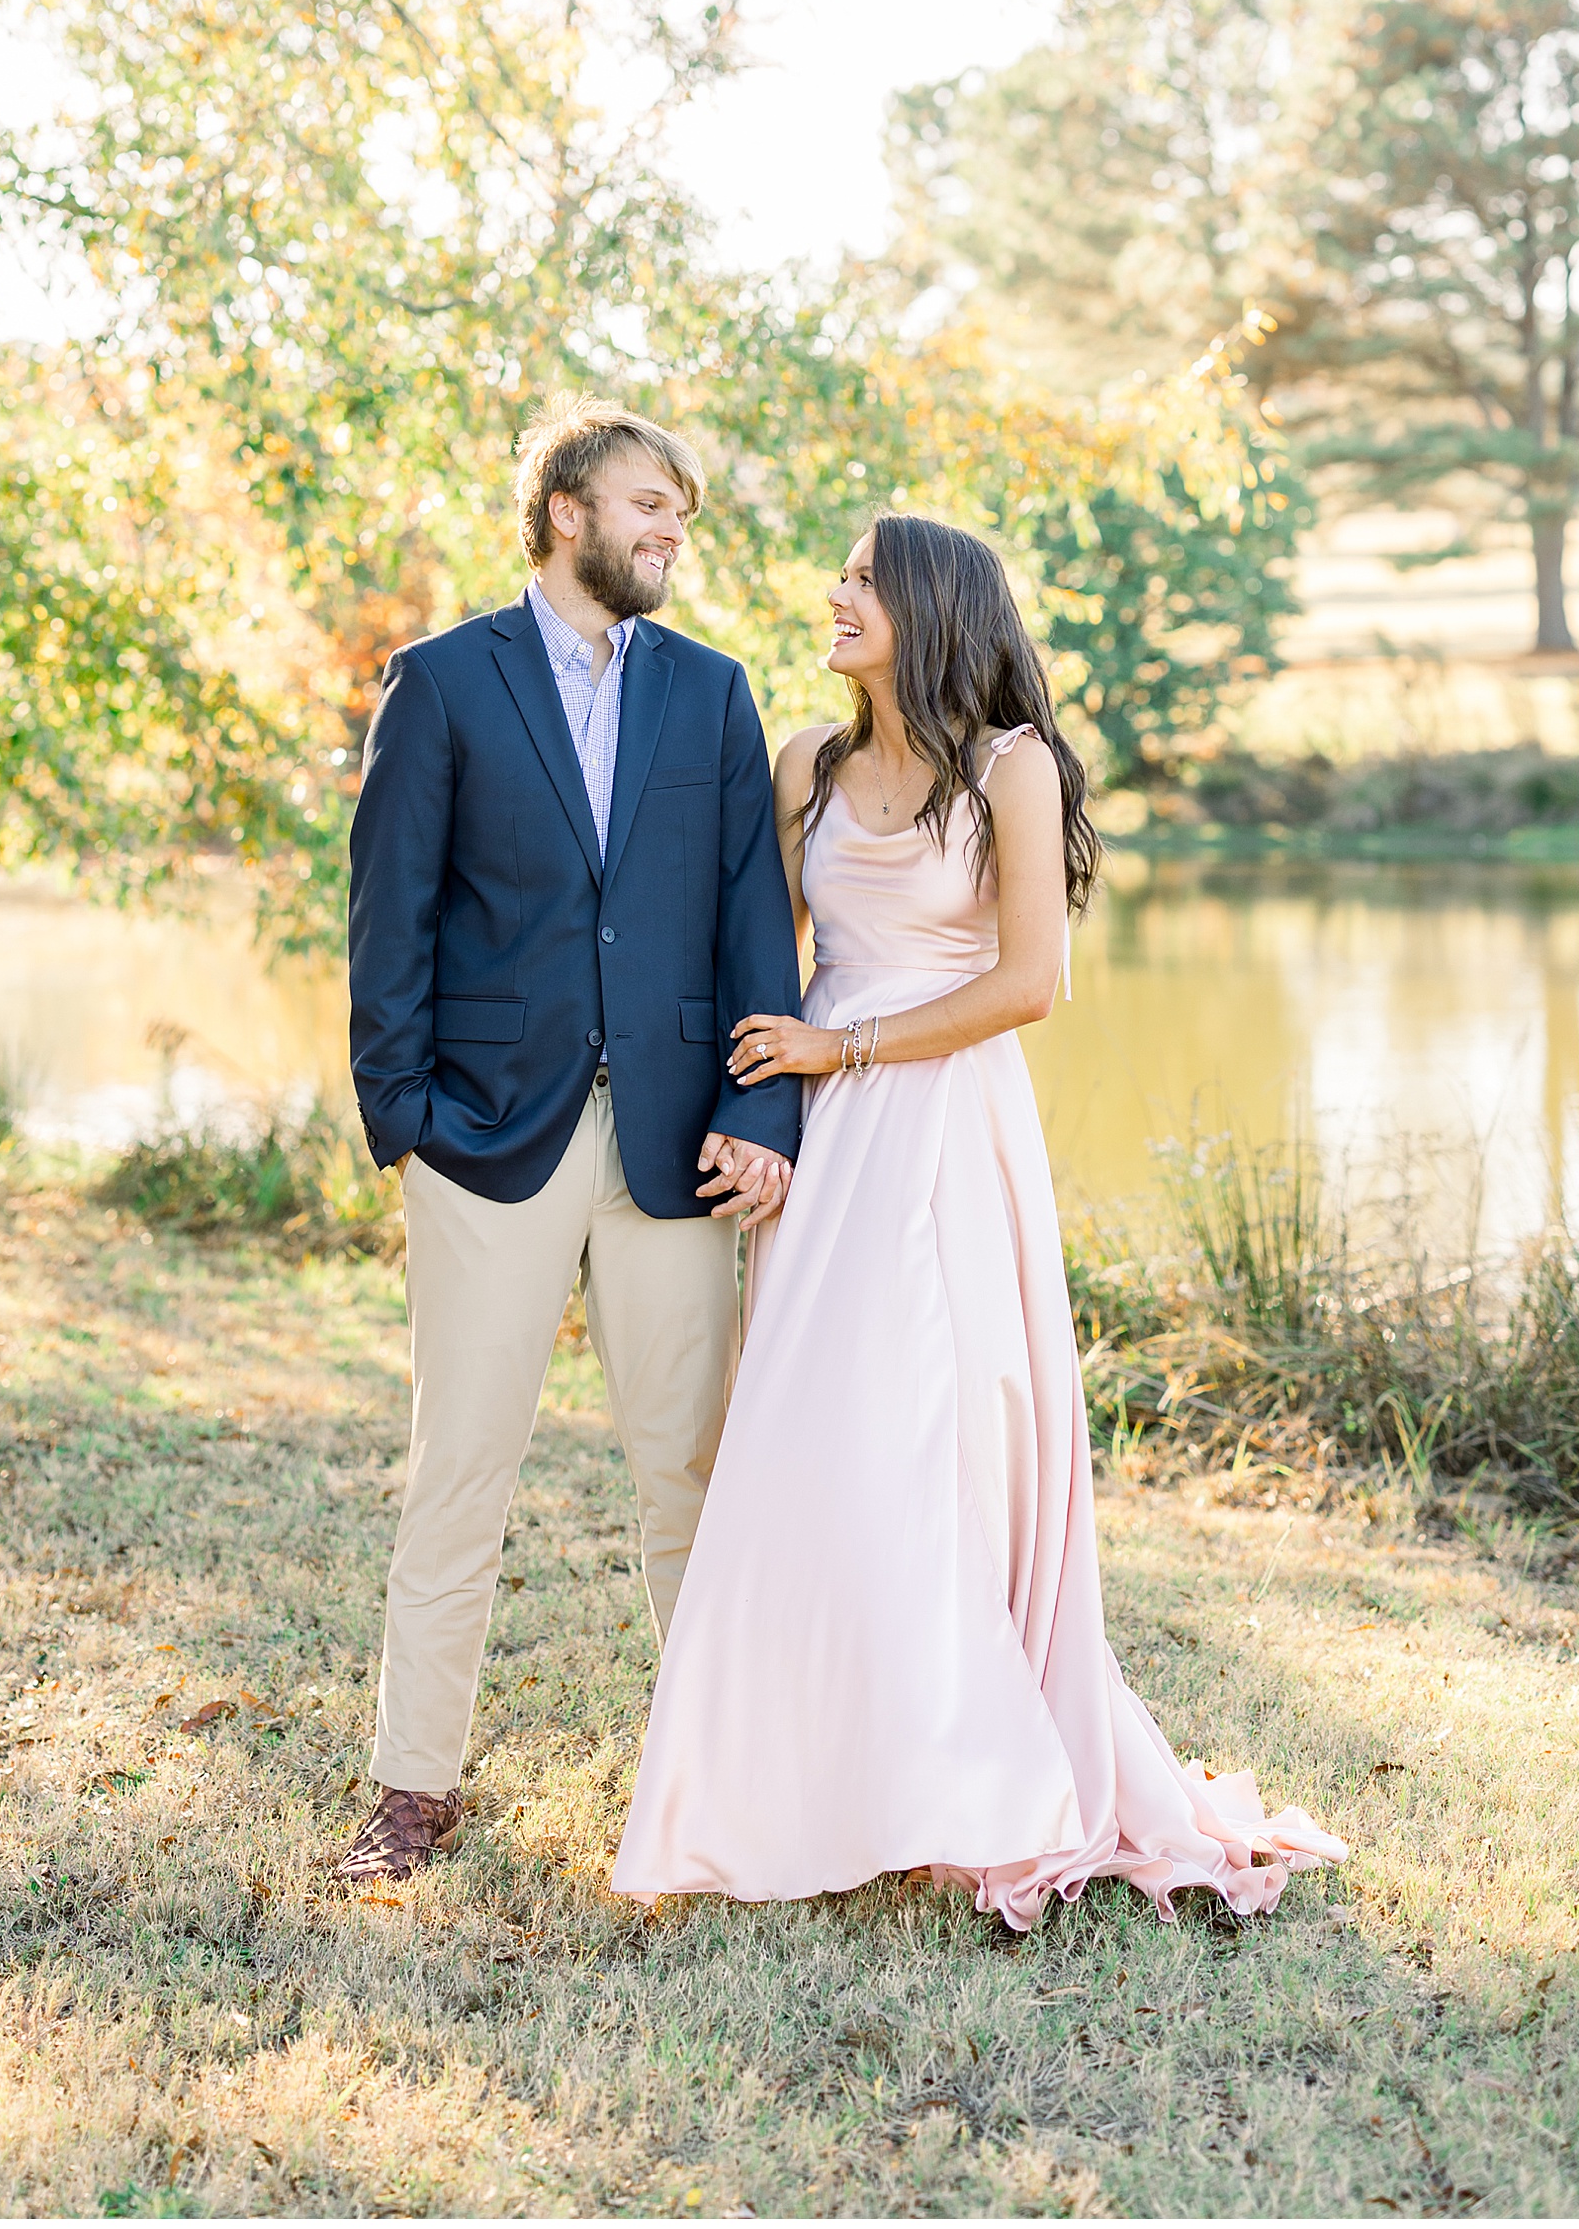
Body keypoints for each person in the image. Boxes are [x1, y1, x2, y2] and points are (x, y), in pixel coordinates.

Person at [612, 514, 1345, 1924]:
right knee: (807, 1441)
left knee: (940, 1440)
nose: (832, 595)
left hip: (943, 1127)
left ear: (931, 605)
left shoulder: (1014, 768)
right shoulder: (806, 769)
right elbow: (753, 941)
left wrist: (848, 1049)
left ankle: (973, 1768)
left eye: (860, 579)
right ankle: (815, 1772)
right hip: (821, 1145)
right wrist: (757, 1096)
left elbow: (1030, 984)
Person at [336, 396, 802, 1888]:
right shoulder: (442, 681)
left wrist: (760, 1110)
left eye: (681, 513)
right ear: (564, 514)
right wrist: (404, 1115)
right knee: (461, 1465)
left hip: (674, 1146)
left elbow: (751, 925)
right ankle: (413, 1788)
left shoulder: (713, 695)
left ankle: (709, 1778)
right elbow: (386, 914)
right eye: (649, 505)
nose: (672, 533)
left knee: (691, 1469)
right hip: (486, 1139)